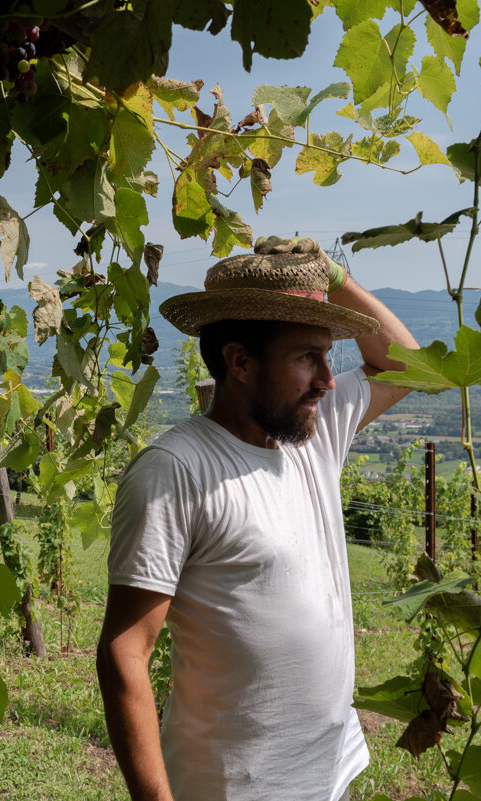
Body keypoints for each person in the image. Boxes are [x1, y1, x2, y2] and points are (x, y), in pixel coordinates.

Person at [95, 236, 419, 801]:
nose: (325, 379)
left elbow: (408, 362)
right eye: (305, 357)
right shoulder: (177, 470)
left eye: (327, 357)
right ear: (239, 362)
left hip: (327, 775)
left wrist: (331, 276)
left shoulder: (310, 437)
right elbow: (124, 653)